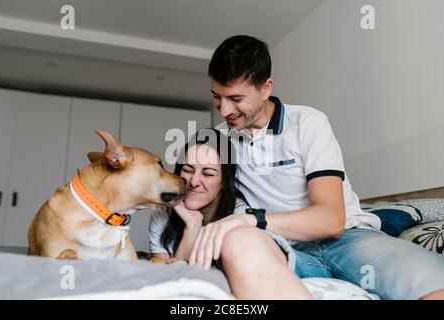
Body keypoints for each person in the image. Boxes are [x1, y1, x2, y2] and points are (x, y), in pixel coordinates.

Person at [187, 35, 444, 300]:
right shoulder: (219, 140)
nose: (224, 109)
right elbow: (195, 187)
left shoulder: (308, 123)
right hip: (281, 246)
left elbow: (331, 221)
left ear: (266, 88)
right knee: (237, 241)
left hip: (348, 240)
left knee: (431, 284)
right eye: (217, 97)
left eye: (236, 98)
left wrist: (252, 219)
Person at [148, 128, 312, 299]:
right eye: (188, 170)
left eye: (208, 173)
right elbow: (169, 280)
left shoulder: (238, 216)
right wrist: (192, 226)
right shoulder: (162, 214)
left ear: (224, 182)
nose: (194, 181)